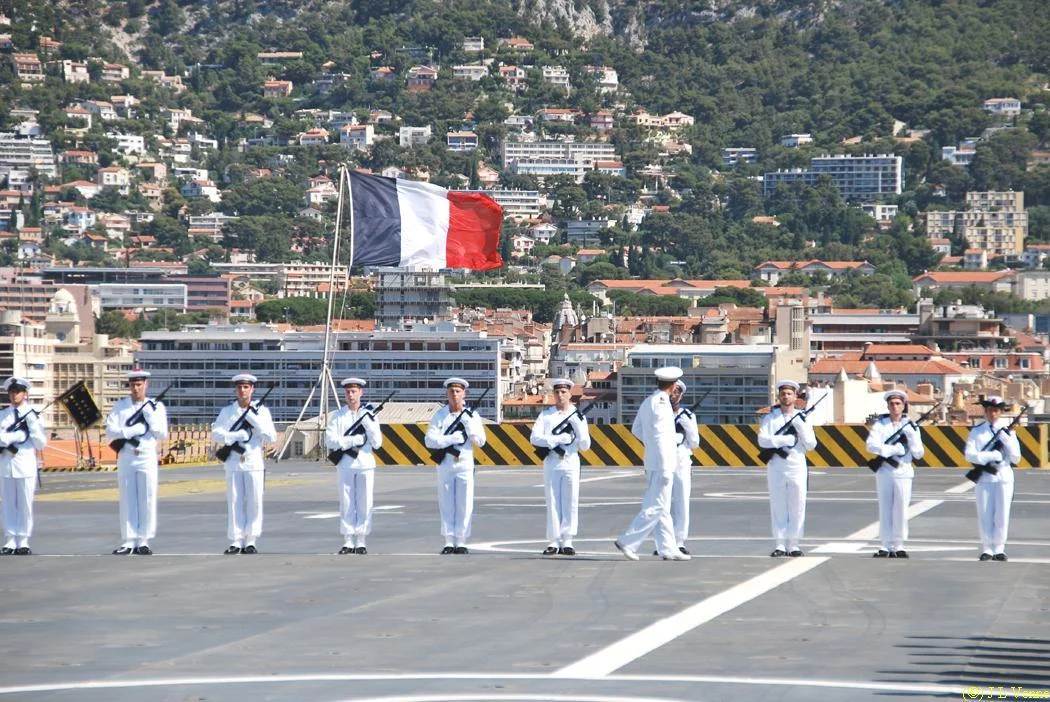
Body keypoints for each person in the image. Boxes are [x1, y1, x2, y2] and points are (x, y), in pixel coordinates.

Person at [614, 366, 690, 561]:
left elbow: (637, 429)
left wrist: (651, 447)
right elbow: (663, 438)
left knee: (662, 508)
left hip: (653, 461)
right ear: (673, 386)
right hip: (663, 464)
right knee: (657, 506)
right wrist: (665, 464)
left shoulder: (649, 401)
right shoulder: (662, 405)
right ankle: (628, 541)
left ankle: (668, 548)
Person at [104, 368, 169, 555]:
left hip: (147, 455)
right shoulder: (121, 406)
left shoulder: (156, 407)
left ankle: (144, 539)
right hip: (126, 454)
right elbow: (110, 430)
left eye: (139, 384)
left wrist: (150, 418)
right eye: (133, 384)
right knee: (127, 498)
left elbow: (162, 433)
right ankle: (128, 539)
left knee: (147, 497)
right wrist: (130, 431)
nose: (135, 388)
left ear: (146, 385)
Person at [211, 373, 276, 555]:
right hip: (233, 462)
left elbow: (271, 437)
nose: (242, 391)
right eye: (239, 387)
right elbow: (216, 433)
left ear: (252, 389)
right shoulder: (227, 411)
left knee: (254, 501)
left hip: (253, 461)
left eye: (246, 387)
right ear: (235, 390)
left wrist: (255, 422)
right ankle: (236, 539)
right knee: (235, 501)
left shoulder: (261, 411)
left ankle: (251, 540)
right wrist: (233, 436)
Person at [424, 377, 487, 554]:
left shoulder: (472, 415)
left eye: (458, 391)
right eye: (451, 391)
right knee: (446, 503)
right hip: (445, 464)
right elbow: (429, 440)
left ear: (464, 394)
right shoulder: (440, 415)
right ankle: (448, 540)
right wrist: (449, 439)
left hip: (464, 464)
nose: (454, 395)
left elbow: (480, 441)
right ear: (447, 394)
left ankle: (461, 540)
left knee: (464, 503)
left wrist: (469, 426)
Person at [530, 378, 591, 556]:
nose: (560, 395)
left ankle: (568, 540)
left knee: (570, 501)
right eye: (557, 392)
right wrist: (556, 440)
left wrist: (579, 429)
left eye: (563, 392)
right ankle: (553, 541)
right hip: (552, 461)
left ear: (570, 394)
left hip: (571, 461)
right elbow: (534, 438)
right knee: (553, 501)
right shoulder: (546, 415)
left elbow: (586, 446)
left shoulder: (578, 416)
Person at [757, 379, 817, 558]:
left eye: (789, 393)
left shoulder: (802, 418)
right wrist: (783, 440)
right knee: (778, 504)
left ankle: (794, 543)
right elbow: (763, 440)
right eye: (783, 394)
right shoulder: (770, 417)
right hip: (776, 464)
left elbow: (811, 444)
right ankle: (780, 544)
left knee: (797, 504)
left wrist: (801, 428)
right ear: (779, 396)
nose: (786, 397)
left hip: (796, 465)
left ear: (796, 396)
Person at [325, 377, 383, 555]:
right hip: (345, 464)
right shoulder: (338, 415)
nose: (351, 395)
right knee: (347, 502)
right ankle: (348, 539)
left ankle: (361, 540)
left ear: (361, 393)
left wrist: (369, 425)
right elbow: (330, 440)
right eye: (348, 392)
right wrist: (353, 440)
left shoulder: (370, 415)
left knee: (365, 502)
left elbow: (377, 442)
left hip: (364, 463)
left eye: (354, 391)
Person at [865, 389, 924, 558]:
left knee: (901, 510)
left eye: (898, 404)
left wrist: (911, 437)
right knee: (885, 509)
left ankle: (898, 545)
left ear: (904, 406)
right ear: (888, 406)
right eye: (891, 404)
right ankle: (884, 544)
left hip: (903, 472)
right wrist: (893, 449)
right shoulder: (880, 425)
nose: (894, 407)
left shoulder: (911, 426)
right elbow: (871, 445)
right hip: (884, 471)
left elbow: (919, 454)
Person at [964, 396, 1021, 562]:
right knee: (985, 513)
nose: (992, 413)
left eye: (996, 410)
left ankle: (999, 548)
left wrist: (1007, 441)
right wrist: (989, 456)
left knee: (1002, 514)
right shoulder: (977, 431)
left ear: (1001, 412)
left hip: (1003, 477)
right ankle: (987, 548)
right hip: (985, 477)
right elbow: (969, 454)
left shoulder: (1009, 432)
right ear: (985, 411)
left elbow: (1016, 458)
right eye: (989, 410)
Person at [0, 377, 47, 555]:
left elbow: (41, 444)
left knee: (25, 504)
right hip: (6, 464)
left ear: (25, 394)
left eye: (17, 392)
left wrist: (32, 428)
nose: (14, 395)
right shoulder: (3, 415)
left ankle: (24, 539)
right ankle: (11, 539)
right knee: (8, 504)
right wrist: (16, 436)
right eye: (11, 392)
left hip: (25, 465)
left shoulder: (32, 415)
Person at [664, 378, 699, 556]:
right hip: (662, 460)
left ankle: (679, 541)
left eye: (677, 392)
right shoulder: (660, 413)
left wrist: (686, 425)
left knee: (682, 501)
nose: (673, 395)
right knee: (663, 502)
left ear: (681, 395)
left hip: (681, 460)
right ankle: (664, 541)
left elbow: (695, 443)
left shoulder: (688, 415)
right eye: (672, 391)